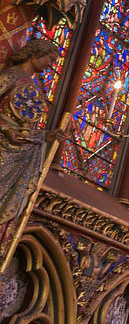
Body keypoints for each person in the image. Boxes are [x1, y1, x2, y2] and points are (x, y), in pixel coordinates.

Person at [0, 38, 63, 265]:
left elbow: (27, 126)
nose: (51, 64)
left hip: (22, 154)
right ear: (35, 53)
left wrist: (47, 136)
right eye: (50, 58)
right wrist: (6, 129)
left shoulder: (33, 86)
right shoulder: (11, 75)